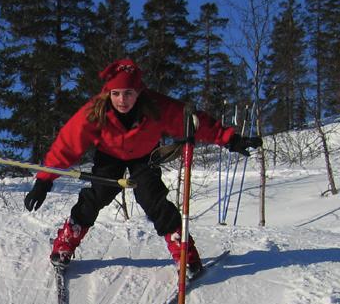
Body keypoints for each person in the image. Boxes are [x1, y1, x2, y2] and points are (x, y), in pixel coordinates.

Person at [23, 58, 262, 275]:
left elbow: (197, 123)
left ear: (138, 91)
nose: (122, 100)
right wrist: (44, 180)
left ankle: (184, 253)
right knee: (97, 195)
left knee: (152, 198)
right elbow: (67, 143)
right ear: (108, 93)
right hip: (109, 156)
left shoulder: (157, 106)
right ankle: (66, 242)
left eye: (128, 93)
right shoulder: (95, 111)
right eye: (116, 94)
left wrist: (231, 139)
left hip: (144, 156)